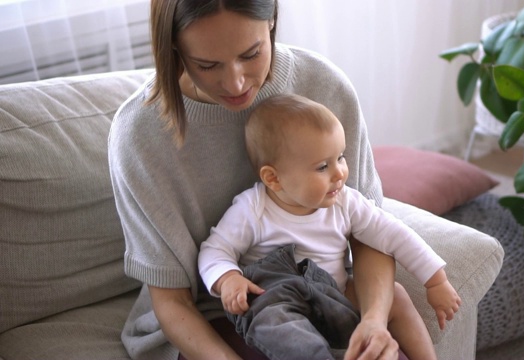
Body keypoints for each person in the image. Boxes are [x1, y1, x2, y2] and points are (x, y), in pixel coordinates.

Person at [108, 0, 443, 359]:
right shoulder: (140, 138)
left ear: (271, 21)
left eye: (251, 54)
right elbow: (172, 299)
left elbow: (369, 234)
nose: (235, 82)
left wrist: (374, 322)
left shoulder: (323, 87)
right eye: (207, 64)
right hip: (224, 313)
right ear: (173, 46)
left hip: (330, 294)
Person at [198, 94, 462, 360]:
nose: (339, 174)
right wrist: (227, 278)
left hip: (334, 295)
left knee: (397, 294)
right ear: (273, 178)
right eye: (323, 166)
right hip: (277, 300)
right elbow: (214, 251)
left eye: (341, 158)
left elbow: (393, 233)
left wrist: (435, 280)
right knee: (281, 329)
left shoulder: (345, 201)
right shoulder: (253, 208)